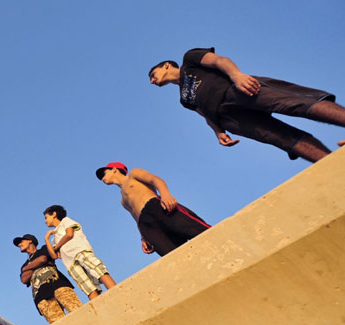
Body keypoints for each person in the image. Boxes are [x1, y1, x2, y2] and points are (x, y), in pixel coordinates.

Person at [148, 47, 345, 162]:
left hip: (237, 90)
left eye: (153, 75)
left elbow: (219, 60)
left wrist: (237, 75)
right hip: (229, 119)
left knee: (293, 103)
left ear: (166, 65)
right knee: (279, 138)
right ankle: (332, 165)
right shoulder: (183, 97)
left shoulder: (189, 59)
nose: (152, 81)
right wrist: (218, 132)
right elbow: (203, 114)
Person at [96, 162, 211, 256]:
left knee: (195, 230)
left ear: (114, 169)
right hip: (145, 223)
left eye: (103, 173)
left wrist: (165, 195)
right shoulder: (122, 200)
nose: (102, 178)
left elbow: (156, 180)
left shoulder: (133, 174)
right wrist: (143, 237)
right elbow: (135, 217)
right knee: (171, 254)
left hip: (156, 207)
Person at [43, 205, 117, 300]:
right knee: (87, 287)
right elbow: (54, 256)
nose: (45, 221)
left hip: (80, 252)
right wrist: (46, 240)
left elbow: (69, 234)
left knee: (98, 271)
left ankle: (116, 291)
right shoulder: (54, 238)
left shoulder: (65, 221)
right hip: (70, 263)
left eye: (46, 217)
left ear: (54, 214)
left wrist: (57, 247)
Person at [14, 233, 82, 323]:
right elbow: (24, 279)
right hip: (40, 296)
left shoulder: (43, 249)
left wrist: (27, 269)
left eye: (21, 242)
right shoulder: (24, 264)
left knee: (77, 312)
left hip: (58, 285)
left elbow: (43, 259)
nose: (19, 245)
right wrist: (35, 264)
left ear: (30, 241)